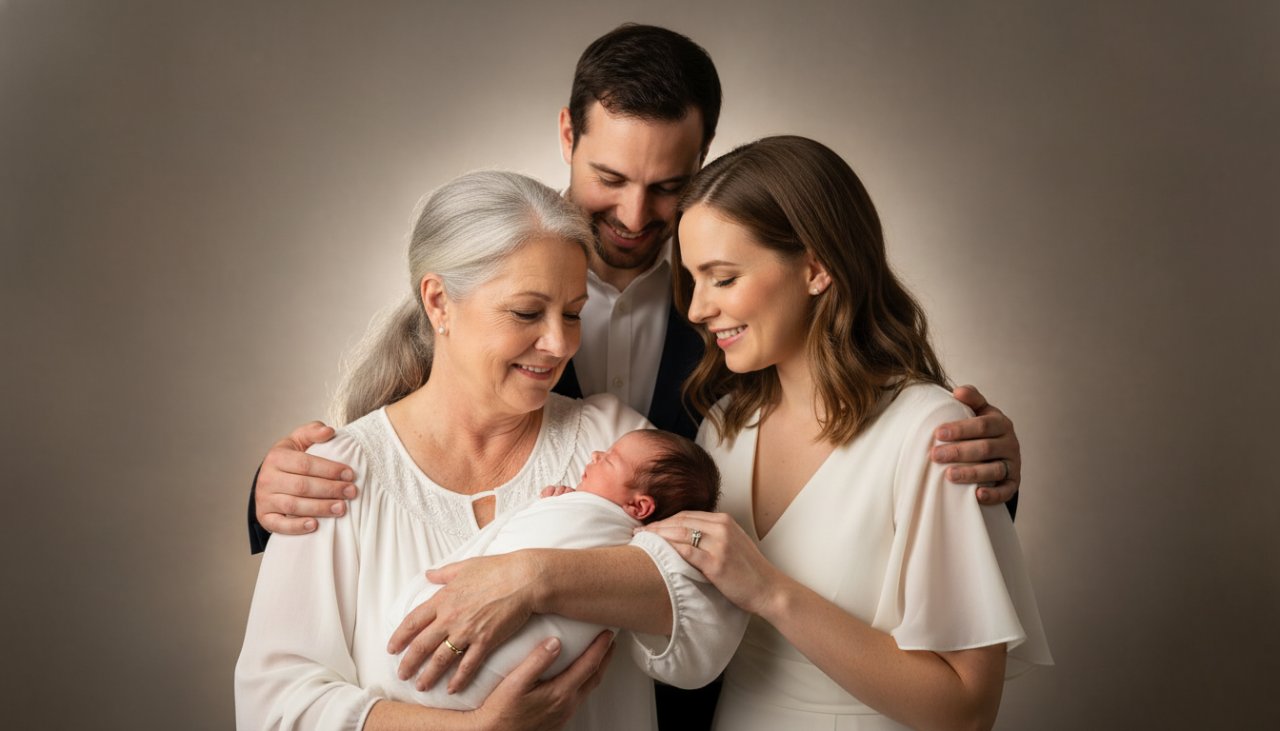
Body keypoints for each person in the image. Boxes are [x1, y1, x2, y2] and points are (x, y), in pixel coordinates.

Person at [244, 24, 1026, 731]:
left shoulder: (740, 333)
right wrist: (275, 491)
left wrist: (977, 464)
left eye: (666, 187)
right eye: (610, 177)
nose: (633, 213)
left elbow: (851, 451)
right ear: (567, 137)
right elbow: (388, 450)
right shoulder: (500, 260)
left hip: (679, 697)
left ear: (704, 160)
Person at [235, 171, 745, 731]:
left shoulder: (613, 445)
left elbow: (710, 631)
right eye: (527, 313)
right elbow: (275, 706)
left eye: (573, 313)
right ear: (438, 303)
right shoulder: (336, 476)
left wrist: (533, 577)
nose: (559, 344)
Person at [640, 135, 1053, 731]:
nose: (697, 308)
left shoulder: (930, 433)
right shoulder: (724, 429)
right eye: (694, 280)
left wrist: (771, 592)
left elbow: (967, 710)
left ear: (815, 267)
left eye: (722, 279)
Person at [388, 428, 721, 711]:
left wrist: (558, 507)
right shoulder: (581, 506)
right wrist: (555, 503)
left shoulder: (622, 535)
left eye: (609, 459)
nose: (594, 454)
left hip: (488, 683)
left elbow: (567, 543)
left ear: (638, 506)